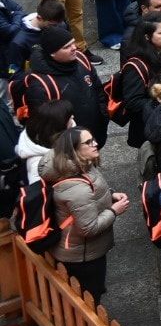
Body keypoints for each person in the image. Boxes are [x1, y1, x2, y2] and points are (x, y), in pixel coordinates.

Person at [41, 127, 128, 303]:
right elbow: (88, 228)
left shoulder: (81, 165)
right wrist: (114, 210)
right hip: (82, 256)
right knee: (89, 300)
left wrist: (110, 195)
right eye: (88, 143)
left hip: (85, 251)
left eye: (93, 139)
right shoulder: (76, 189)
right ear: (74, 150)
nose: (95, 144)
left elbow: (92, 193)